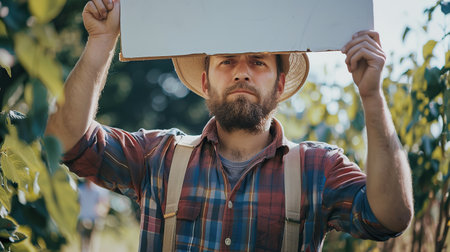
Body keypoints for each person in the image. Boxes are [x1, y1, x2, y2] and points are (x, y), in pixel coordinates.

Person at [45, 0, 414, 251]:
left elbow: (389, 218)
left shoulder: (319, 170)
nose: (241, 71)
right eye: (227, 61)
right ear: (205, 82)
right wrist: (101, 42)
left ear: (280, 84)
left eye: (257, 61)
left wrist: (372, 98)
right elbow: (67, 141)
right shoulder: (159, 156)